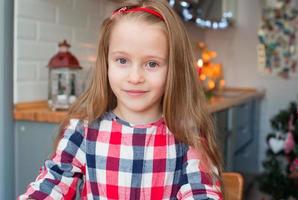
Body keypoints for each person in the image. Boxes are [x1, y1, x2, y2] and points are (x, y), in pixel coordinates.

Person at [19, 0, 223, 199]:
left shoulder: (187, 134)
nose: (135, 78)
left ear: (174, 69)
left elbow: (200, 191)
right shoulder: (83, 130)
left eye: (152, 64)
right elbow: (52, 184)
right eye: (122, 60)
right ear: (106, 63)